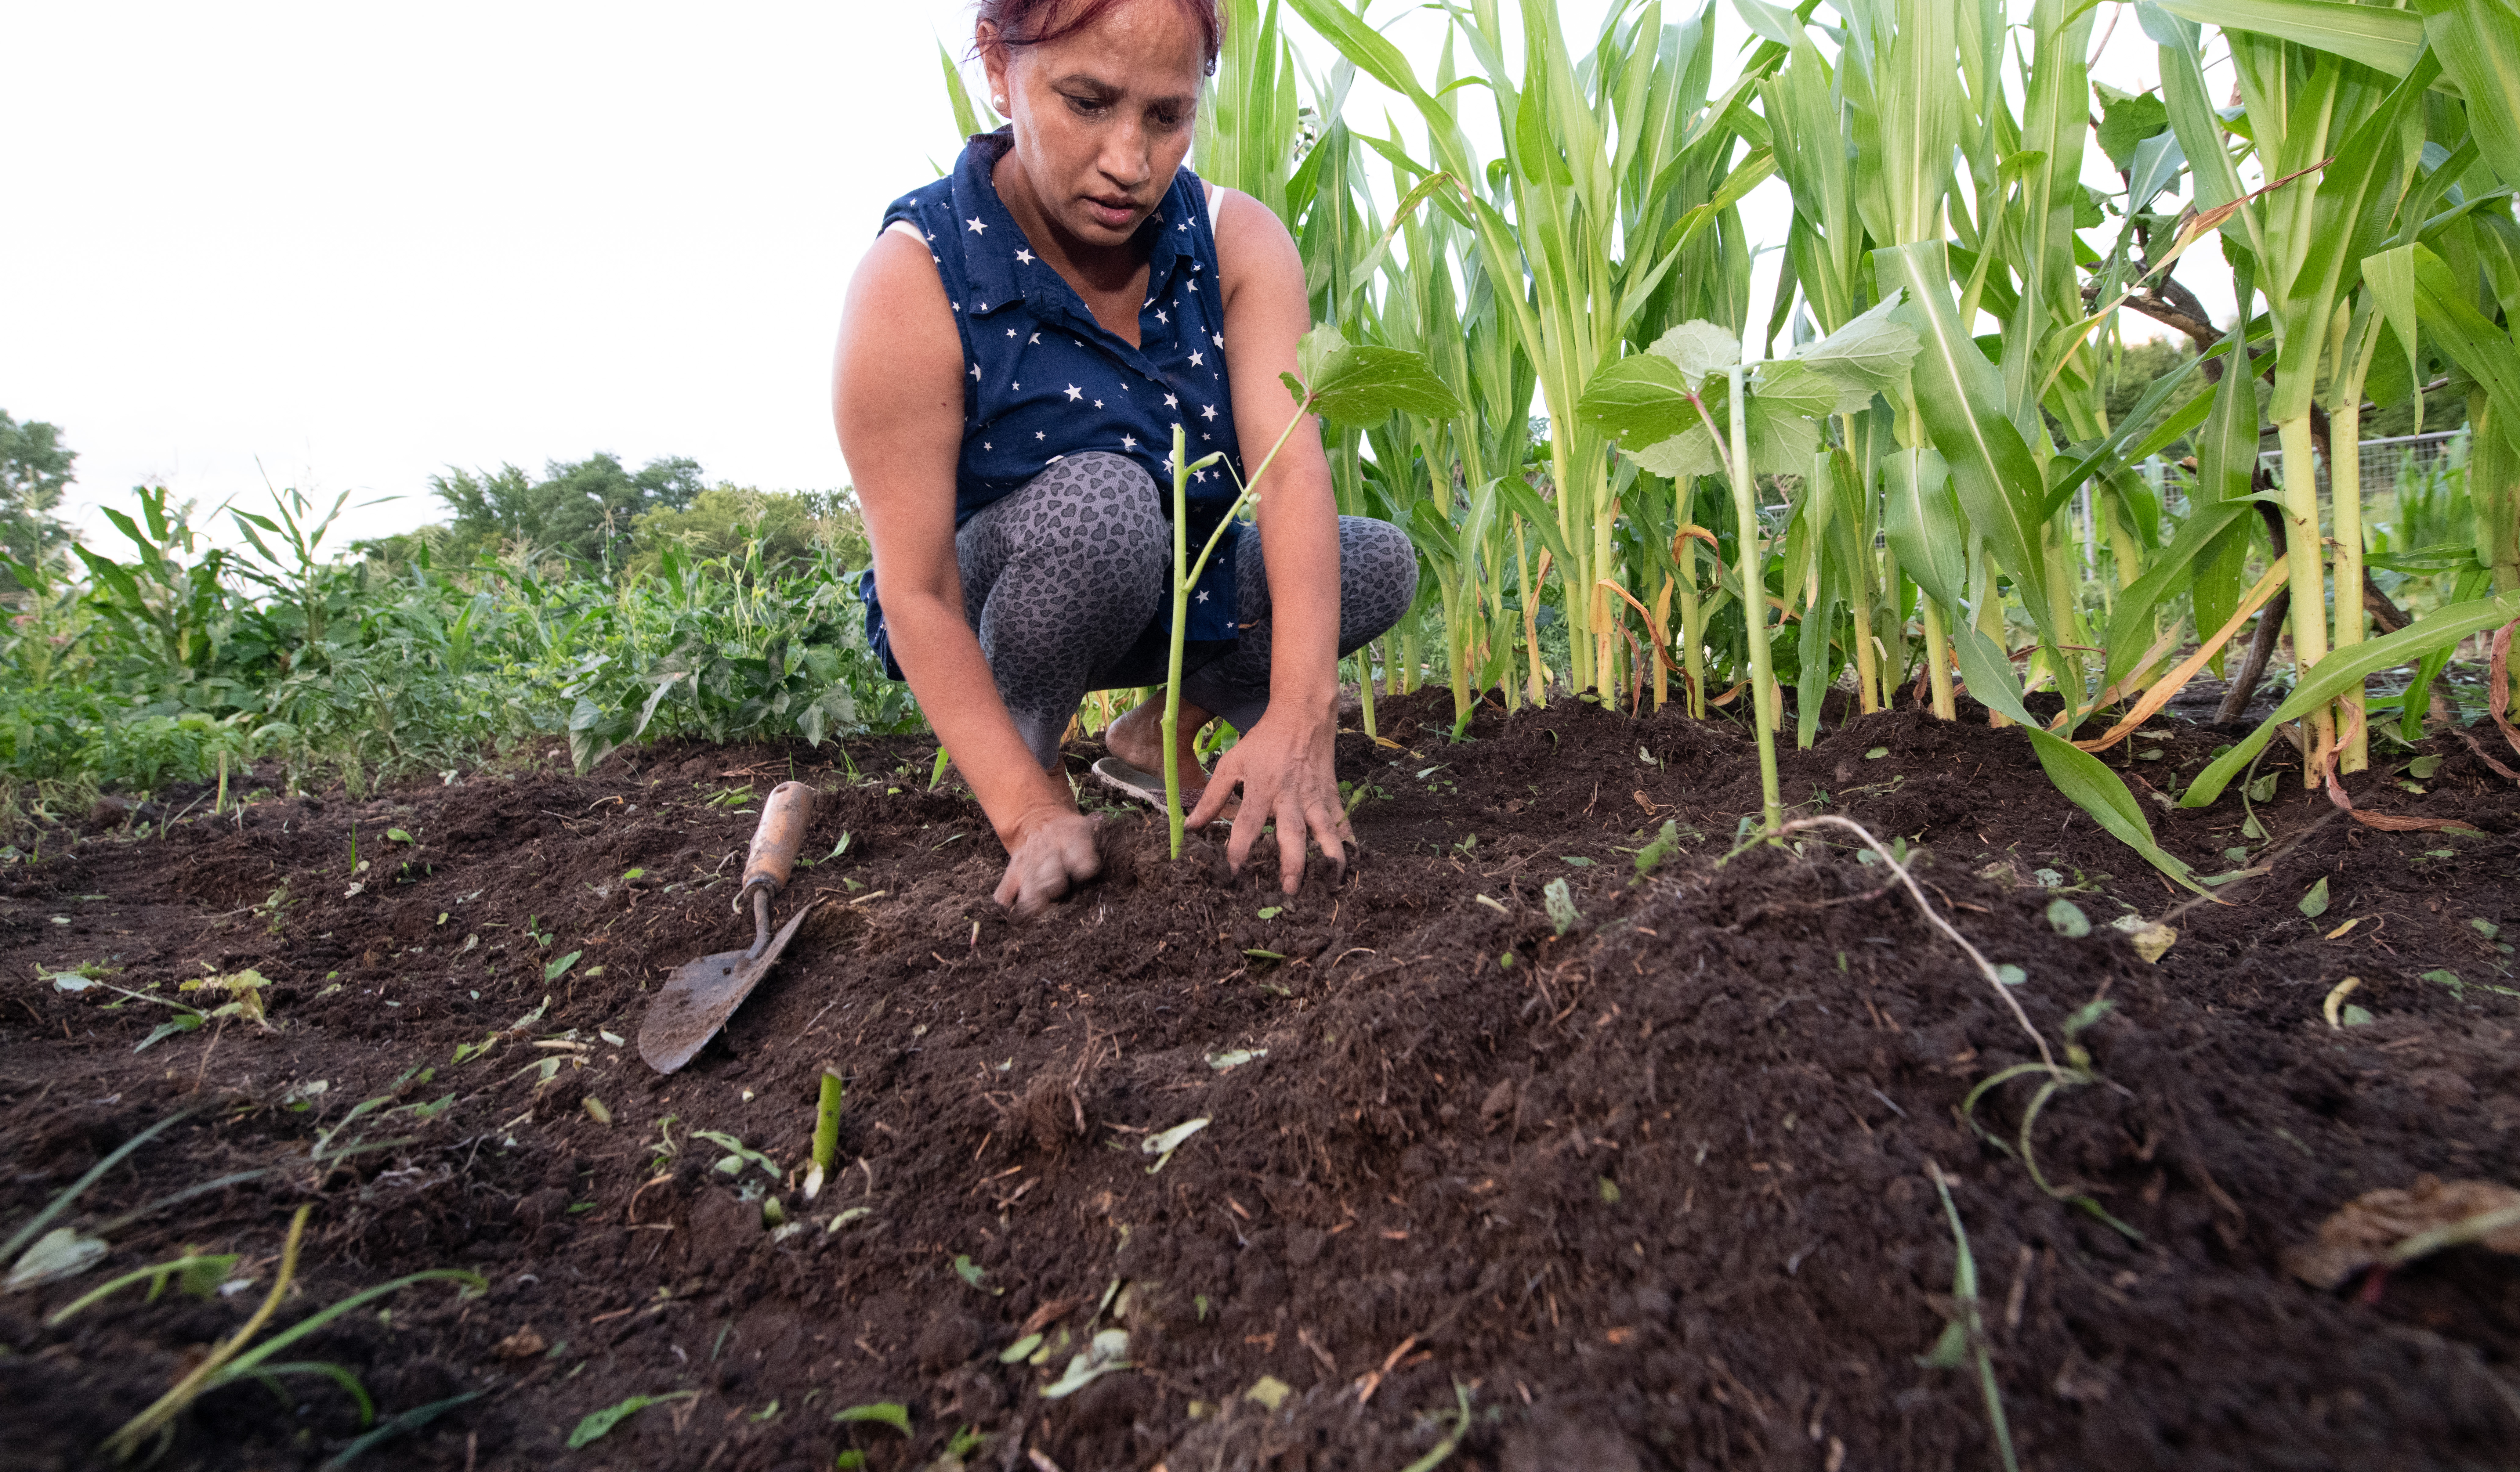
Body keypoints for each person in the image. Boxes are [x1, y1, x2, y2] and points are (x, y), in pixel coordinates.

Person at [831, 0, 1417, 918]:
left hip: (1179, 586)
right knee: (1103, 506)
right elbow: (918, 593)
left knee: (1374, 561)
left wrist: (1300, 722)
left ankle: (1154, 734)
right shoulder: (916, 280)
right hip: (1009, 599)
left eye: (1167, 116)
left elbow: (1293, 472)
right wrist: (1026, 814)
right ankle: (1025, 765)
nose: (1128, 163)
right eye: (1088, 102)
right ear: (996, 63)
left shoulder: (1236, 242)